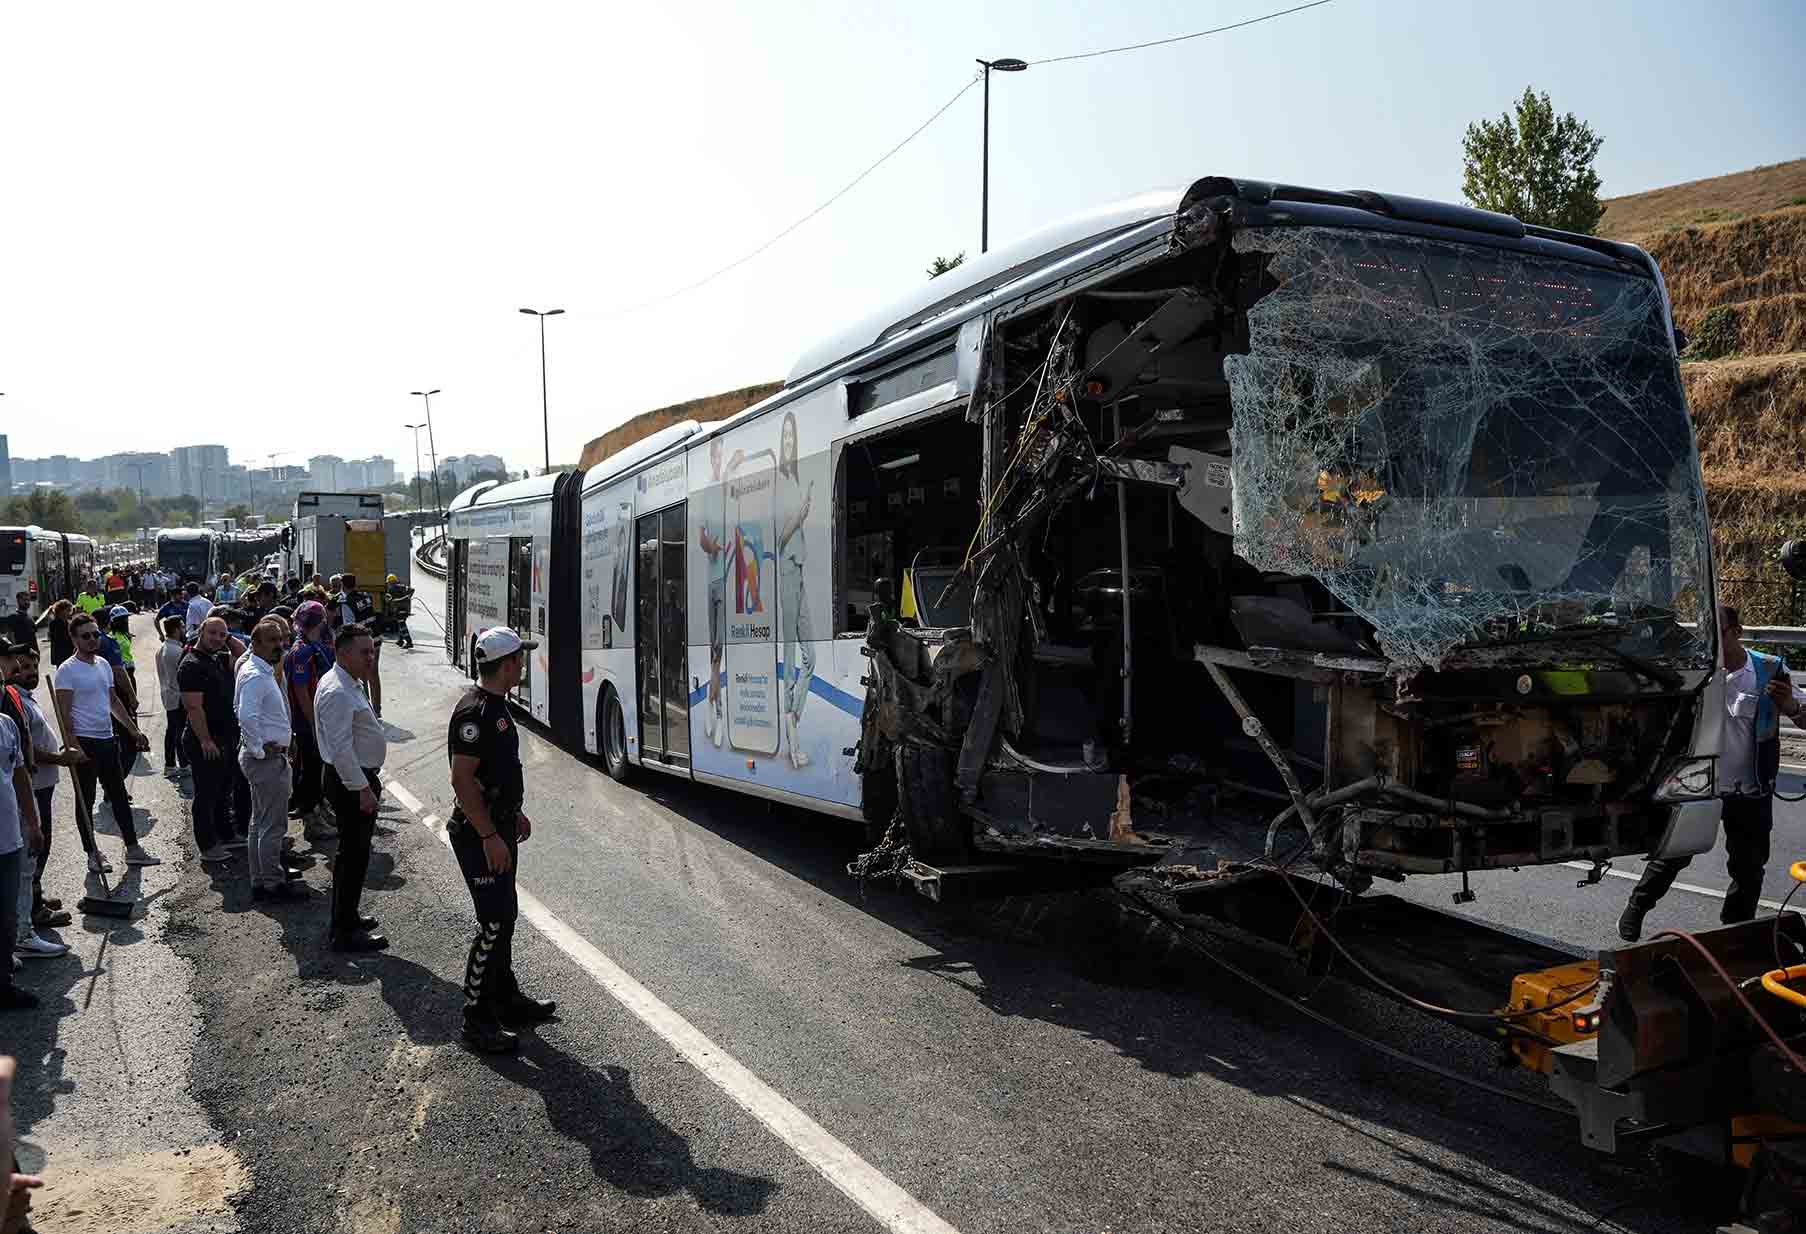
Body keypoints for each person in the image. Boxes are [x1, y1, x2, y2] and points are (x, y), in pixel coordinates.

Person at [1620, 604, 1799, 940]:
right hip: (1699, 783)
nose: (1713, 641)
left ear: (1738, 632)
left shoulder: (1770, 669)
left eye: (1721, 633)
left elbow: (1802, 717)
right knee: (1673, 854)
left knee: (1749, 868)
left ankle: (1734, 932)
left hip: (1750, 788)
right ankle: (1637, 907)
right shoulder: (1695, 668)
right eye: (1708, 633)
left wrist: (1790, 706)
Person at [448, 627, 555, 1052]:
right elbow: (462, 780)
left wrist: (514, 813)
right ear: (509, 664)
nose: (523, 665)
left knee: (505, 918)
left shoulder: (495, 705)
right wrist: (490, 834)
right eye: (521, 658)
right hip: (480, 834)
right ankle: (476, 1019)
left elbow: (496, 773)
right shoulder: (475, 712)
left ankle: (506, 998)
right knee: (492, 924)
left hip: (500, 825)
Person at [53, 614, 155, 870]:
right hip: (85, 743)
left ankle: (133, 848)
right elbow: (63, 713)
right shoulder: (67, 670)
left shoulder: (103, 664)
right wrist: (73, 744)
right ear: (74, 639)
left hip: (108, 739)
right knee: (85, 800)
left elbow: (113, 702)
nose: (92, 640)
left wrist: (134, 732)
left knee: (119, 795)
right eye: (85, 636)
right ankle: (92, 854)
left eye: (95, 634)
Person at [314, 623, 387, 951]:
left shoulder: (348, 682)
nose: (371, 657)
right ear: (342, 654)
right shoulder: (337, 691)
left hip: (355, 778)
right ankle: (344, 932)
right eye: (364, 652)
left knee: (356, 855)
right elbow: (341, 748)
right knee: (352, 856)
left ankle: (349, 916)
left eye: (372, 651)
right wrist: (362, 789)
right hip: (350, 782)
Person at [6, 647, 74, 956]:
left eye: (33, 665)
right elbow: (24, 755)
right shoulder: (10, 699)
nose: (28, 670)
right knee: (28, 857)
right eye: (21, 665)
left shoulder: (21, 697)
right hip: (24, 791)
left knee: (33, 856)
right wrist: (59, 757)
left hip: (36, 787)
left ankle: (31, 906)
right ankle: (25, 925)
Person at [236, 618, 302, 901]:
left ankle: (261, 880)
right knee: (272, 825)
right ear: (256, 644)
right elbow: (245, 715)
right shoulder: (255, 675)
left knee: (259, 823)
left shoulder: (258, 670)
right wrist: (260, 750)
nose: (280, 645)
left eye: (280, 639)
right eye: (272, 641)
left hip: (264, 757)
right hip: (265, 761)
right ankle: (272, 884)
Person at [180, 616, 248, 864]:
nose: (218, 639)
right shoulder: (191, 664)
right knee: (207, 794)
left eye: (223, 635)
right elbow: (193, 708)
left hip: (226, 737)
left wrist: (227, 636)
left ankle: (226, 835)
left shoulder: (218, 658)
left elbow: (243, 654)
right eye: (213, 634)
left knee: (223, 790)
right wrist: (205, 740)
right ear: (201, 632)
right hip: (205, 740)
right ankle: (207, 845)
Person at [775, 411, 815, 769]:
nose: (789, 442)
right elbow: (777, 537)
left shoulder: (796, 478)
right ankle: (792, 741)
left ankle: (792, 722)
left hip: (799, 570)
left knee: (810, 659)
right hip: (785, 572)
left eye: (792, 437)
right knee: (789, 660)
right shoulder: (778, 481)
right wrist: (799, 514)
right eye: (784, 437)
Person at [0, 697, 43, 1010]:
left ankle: (3, 985)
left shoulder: (6, 724)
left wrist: (32, 823)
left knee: (7, 917)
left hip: (9, 838)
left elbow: (19, 777)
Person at [282, 602, 336, 842]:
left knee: (319, 768)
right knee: (311, 769)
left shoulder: (314, 646)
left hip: (318, 719)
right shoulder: (303, 650)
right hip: (308, 723)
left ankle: (320, 809)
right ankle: (311, 819)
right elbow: (301, 690)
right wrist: (314, 723)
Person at [156, 616, 190, 781]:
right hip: (177, 697)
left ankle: (170, 764)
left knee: (172, 731)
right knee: (178, 732)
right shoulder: (177, 651)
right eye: (182, 627)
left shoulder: (163, 648)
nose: (184, 630)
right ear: (176, 629)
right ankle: (183, 764)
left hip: (169, 696)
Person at [34, 599, 74, 669]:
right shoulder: (54, 623)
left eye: (69, 610)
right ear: (61, 611)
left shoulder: (68, 623)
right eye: (67, 610)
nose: (69, 613)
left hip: (69, 653)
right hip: (61, 654)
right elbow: (57, 638)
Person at [383, 576, 414, 649]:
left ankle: (409, 642)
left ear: (391, 582)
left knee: (402, 626)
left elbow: (390, 600)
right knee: (400, 625)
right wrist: (407, 597)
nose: (388, 584)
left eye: (389, 583)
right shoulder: (400, 587)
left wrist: (402, 599)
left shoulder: (393, 589)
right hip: (402, 609)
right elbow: (411, 590)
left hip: (401, 610)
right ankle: (400, 641)